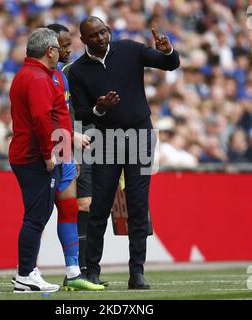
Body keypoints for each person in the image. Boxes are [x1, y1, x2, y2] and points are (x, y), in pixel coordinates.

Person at [68, 16, 180, 289]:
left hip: (140, 136)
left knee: (138, 206)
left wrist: (167, 50)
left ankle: (137, 273)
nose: (102, 38)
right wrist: (100, 108)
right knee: (99, 207)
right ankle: (92, 271)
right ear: (83, 40)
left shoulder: (130, 49)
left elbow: (170, 64)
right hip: (106, 141)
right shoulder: (77, 70)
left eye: (104, 31)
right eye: (94, 35)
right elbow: (81, 112)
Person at [9, 28, 72, 293]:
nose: (61, 52)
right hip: (35, 156)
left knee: (37, 215)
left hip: (28, 153)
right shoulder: (37, 78)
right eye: (58, 48)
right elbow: (42, 119)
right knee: (36, 217)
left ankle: (26, 270)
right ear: (50, 51)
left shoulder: (27, 74)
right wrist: (49, 153)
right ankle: (25, 273)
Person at [45, 23, 104, 291]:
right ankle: (75, 270)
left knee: (85, 205)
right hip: (65, 149)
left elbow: (75, 113)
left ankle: (82, 269)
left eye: (70, 44)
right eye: (64, 45)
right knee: (76, 206)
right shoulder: (58, 75)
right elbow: (57, 116)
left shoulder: (65, 74)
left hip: (79, 146)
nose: (70, 49)